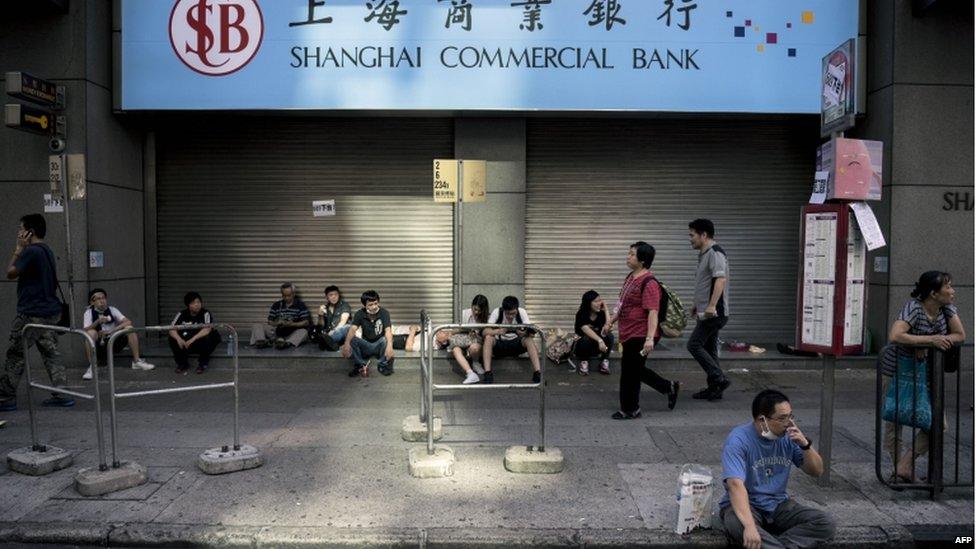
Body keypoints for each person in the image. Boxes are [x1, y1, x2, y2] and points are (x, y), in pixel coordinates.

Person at [720, 390, 835, 549]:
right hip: (747, 506)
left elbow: (817, 471)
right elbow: (734, 485)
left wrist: (805, 445)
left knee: (825, 523)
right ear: (762, 420)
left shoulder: (789, 437)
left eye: (790, 416)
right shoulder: (738, 440)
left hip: (778, 505)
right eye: (782, 418)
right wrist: (750, 526)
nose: (789, 423)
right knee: (736, 524)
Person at [881, 270, 965, 482]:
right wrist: (929, 340)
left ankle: (904, 465)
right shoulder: (914, 308)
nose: (952, 291)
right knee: (895, 419)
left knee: (937, 424)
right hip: (898, 372)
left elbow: (959, 335)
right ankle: (898, 472)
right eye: (947, 287)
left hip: (928, 375)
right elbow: (895, 334)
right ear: (933, 294)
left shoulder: (947, 309)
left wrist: (929, 341)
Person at [0, 214, 72, 411]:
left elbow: (10, 273)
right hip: (49, 310)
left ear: (30, 232)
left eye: (21, 228)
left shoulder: (30, 251)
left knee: (15, 353)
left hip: (31, 313)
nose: (18, 232)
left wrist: (17, 250)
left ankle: (5, 396)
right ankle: (63, 392)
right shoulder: (46, 250)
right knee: (50, 351)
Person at [606, 242, 678, 419]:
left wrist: (649, 339)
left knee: (630, 373)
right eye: (628, 253)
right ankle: (668, 387)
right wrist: (611, 321)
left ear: (643, 260)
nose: (628, 256)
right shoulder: (630, 277)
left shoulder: (649, 282)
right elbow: (621, 303)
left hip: (641, 333)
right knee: (635, 370)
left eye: (632, 254)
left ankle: (630, 409)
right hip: (628, 332)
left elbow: (653, 312)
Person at [687, 218, 732, 401]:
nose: (690, 239)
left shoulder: (715, 253)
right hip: (706, 310)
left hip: (714, 313)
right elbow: (705, 283)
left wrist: (712, 306)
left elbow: (720, 280)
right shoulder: (704, 253)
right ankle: (715, 388)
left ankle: (719, 378)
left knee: (694, 345)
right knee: (710, 349)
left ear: (703, 235)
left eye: (692, 235)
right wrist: (696, 305)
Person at [82, 288, 156, 380]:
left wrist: (112, 331)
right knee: (90, 333)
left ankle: (137, 361)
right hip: (99, 346)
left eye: (103, 298)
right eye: (98, 299)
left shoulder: (112, 310)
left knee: (129, 328)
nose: (102, 301)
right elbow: (85, 330)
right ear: (92, 302)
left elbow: (128, 321)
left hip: (113, 342)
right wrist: (97, 322)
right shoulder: (88, 313)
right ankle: (92, 366)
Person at [481, 296, 542, 384]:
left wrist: (523, 333)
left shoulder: (522, 312)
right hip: (499, 345)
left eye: (513, 313)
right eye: (508, 313)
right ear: (503, 310)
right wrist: (497, 331)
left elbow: (531, 334)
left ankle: (537, 373)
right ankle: (487, 373)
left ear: (517, 309)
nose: (510, 316)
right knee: (488, 338)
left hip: (516, 344)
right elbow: (484, 332)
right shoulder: (497, 312)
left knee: (529, 340)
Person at [342, 290, 394, 377]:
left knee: (385, 339)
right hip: (366, 345)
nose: (374, 307)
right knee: (352, 339)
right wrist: (346, 344)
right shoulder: (360, 313)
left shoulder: (384, 312)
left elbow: (388, 330)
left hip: (379, 346)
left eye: (376, 303)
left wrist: (390, 346)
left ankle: (383, 365)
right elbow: (352, 329)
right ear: (364, 305)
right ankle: (360, 365)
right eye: (370, 305)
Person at [168, 291, 221, 375]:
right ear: (188, 305)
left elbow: (207, 329)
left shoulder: (205, 313)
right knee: (172, 338)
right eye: (193, 303)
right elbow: (171, 329)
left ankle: (202, 364)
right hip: (186, 342)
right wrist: (179, 339)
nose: (197, 305)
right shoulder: (181, 314)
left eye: (198, 302)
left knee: (209, 336)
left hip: (200, 342)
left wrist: (193, 339)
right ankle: (182, 364)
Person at [249, 282, 311, 349]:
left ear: (293, 294)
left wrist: (292, 324)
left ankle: (286, 343)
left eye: (289, 295)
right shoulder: (277, 305)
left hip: (292, 333)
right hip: (277, 332)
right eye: (284, 296)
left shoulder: (300, 305)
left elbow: (306, 322)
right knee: (257, 326)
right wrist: (277, 323)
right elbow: (270, 321)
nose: (286, 298)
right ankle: (261, 342)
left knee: (304, 332)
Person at [572, 290, 614, 376]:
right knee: (586, 338)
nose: (599, 303)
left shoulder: (601, 314)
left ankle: (604, 361)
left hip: (598, 347)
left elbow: (608, 327)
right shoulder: (581, 314)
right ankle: (584, 362)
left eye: (600, 300)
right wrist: (600, 341)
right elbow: (585, 329)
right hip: (582, 348)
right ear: (588, 303)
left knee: (610, 336)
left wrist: (606, 310)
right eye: (596, 301)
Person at [451, 294, 489, 384]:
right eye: (474, 309)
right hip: (463, 340)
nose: (476, 312)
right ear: (471, 306)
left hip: (475, 343)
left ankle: (475, 363)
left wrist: (477, 334)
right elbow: (455, 330)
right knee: (456, 350)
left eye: (479, 311)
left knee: (474, 347)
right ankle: (470, 373)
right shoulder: (465, 313)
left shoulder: (487, 317)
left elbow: (485, 336)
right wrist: (464, 329)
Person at [313, 285, 351, 351]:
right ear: (327, 297)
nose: (334, 297)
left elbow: (343, 321)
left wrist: (333, 332)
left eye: (336, 294)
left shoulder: (344, 305)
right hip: (328, 332)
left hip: (339, 332)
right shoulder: (324, 308)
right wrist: (320, 315)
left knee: (346, 327)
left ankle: (326, 342)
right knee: (316, 331)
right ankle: (331, 344)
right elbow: (321, 325)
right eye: (331, 295)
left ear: (339, 295)